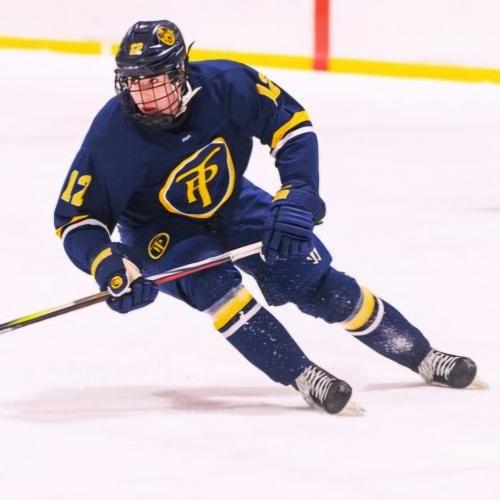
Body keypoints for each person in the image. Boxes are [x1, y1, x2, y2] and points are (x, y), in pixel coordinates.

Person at [54, 19, 479, 414]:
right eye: (133, 82)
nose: (144, 96)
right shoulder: (111, 135)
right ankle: (303, 375)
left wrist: (299, 191)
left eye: (155, 81)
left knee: (315, 282)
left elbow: (291, 126)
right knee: (217, 288)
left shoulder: (228, 83)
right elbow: (77, 219)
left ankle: (422, 356)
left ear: (181, 71)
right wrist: (108, 263)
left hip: (232, 200)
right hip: (157, 230)